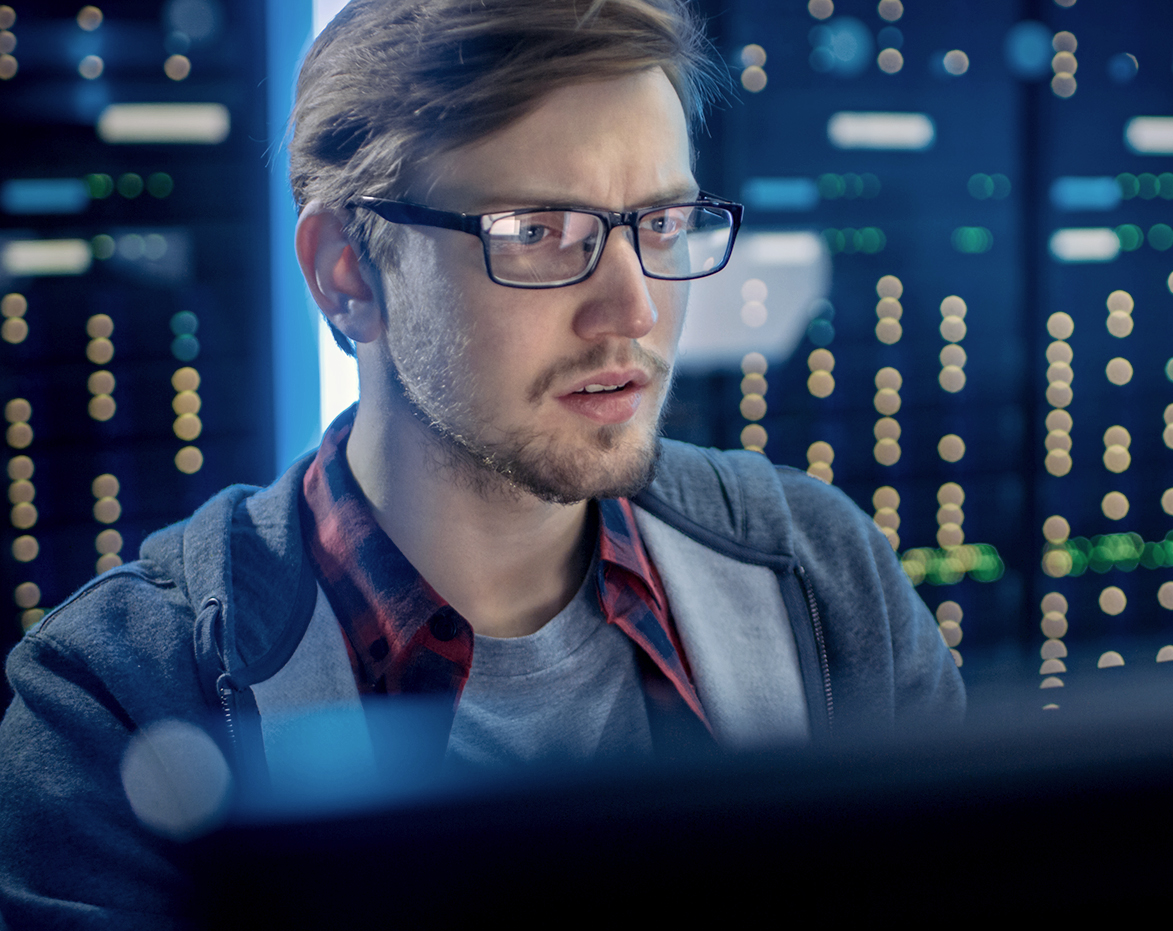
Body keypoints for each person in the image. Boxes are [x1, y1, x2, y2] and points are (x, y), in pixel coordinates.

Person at [0, 0, 963, 925]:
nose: (633, 310)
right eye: (538, 233)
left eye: (661, 225)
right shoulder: (114, 706)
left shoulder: (822, 576)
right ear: (347, 272)